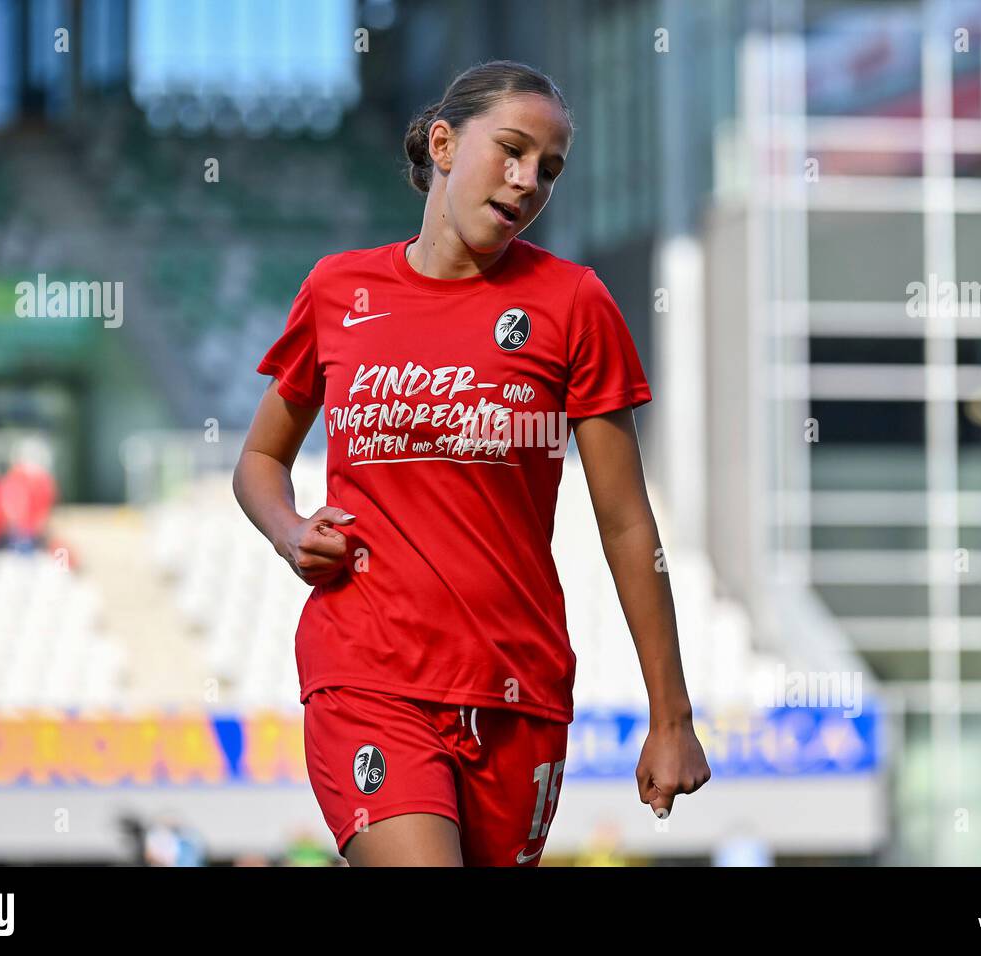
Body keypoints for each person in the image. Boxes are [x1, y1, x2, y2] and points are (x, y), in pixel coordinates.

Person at [234, 60, 710, 867]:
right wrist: (288, 531)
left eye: (549, 171)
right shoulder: (337, 291)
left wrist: (671, 716)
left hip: (517, 690)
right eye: (513, 151)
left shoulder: (575, 304)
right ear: (446, 144)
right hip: (367, 671)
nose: (528, 182)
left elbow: (627, 521)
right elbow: (259, 458)